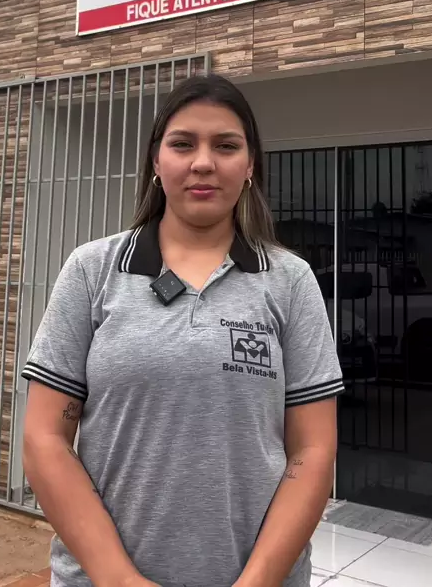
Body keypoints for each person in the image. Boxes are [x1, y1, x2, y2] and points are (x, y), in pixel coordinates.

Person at [22, 74, 344, 587]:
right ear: (156, 161)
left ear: (250, 165)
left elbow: (313, 450)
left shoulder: (289, 281)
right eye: (183, 144)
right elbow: (45, 438)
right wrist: (120, 580)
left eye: (226, 146)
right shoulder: (92, 270)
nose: (203, 162)